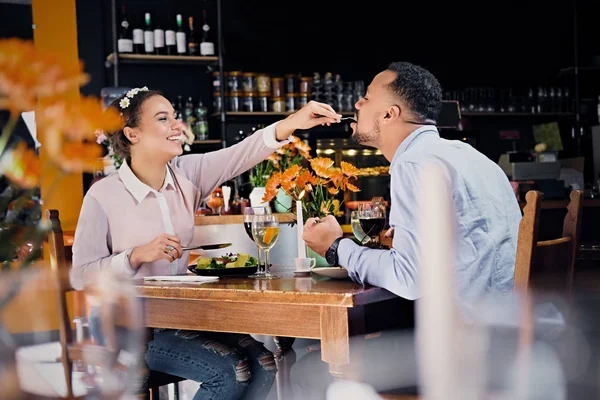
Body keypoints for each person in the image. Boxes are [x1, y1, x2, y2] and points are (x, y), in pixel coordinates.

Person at [70, 86, 342, 400]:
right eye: (163, 118)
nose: (177, 126)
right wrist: (134, 256)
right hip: (125, 326)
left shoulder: (188, 174)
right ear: (132, 134)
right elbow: (81, 275)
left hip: (181, 315)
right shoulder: (103, 195)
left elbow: (242, 153)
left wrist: (294, 121)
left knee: (265, 363)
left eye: (174, 116)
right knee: (229, 373)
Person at [295, 61, 522, 398]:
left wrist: (335, 247)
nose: (357, 104)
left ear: (390, 114)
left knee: (308, 369)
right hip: (506, 338)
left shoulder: (414, 163)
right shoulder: (468, 154)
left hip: (464, 350)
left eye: (367, 98)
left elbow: (410, 277)